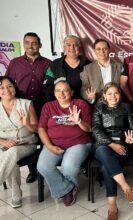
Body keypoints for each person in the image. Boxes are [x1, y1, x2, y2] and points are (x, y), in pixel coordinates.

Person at [37, 80, 92, 206]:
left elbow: (89, 129)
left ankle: (66, 192)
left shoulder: (81, 104)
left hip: (78, 143)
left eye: (65, 90)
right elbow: (41, 129)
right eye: (58, 90)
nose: (61, 94)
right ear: (54, 93)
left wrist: (78, 122)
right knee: (43, 166)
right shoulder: (48, 106)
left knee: (68, 167)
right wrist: (50, 146)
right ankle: (68, 188)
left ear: (71, 92)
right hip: (54, 143)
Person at [5, 32, 51, 183]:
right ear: (24, 44)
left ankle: (43, 168)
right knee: (28, 137)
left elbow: (51, 85)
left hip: (41, 104)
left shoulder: (48, 63)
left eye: (34, 43)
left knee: (41, 136)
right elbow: (8, 83)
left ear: (40, 45)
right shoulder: (15, 63)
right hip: (22, 106)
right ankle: (33, 171)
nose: (30, 46)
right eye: (27, 42)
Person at [92, 83, 133, 219]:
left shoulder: (127, 107)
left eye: (116, 93)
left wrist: (131, 140)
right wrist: (111, 144)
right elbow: (95, 129)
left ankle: (112, 207)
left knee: (107, 167)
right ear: (104, 96)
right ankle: (125, 187)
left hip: (123, 144)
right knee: (101, 150)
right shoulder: (99, 108)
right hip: (104, 144)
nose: (113, 96)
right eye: (110, 94)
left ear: (120, 94)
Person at [0, 76, 38, 208]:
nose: (6, 90)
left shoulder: (26, 103)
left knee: (13, 152)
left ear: (15, 87)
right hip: (2, 145)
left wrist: (27, 124)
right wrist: (3, 142)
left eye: (9, 86)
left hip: (26, 144)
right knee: (10, 160)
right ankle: (16, 195)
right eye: (2, 87)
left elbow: (37, 129)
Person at [43, 35, 91, 101]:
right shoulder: (55, 64)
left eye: (75, 45)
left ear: (79, 47)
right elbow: (47, 86)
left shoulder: (88, 64)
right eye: (68, 45)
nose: (72, 48)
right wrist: (55, 104)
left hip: (84, 105)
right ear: (64, 47)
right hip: (61, 105)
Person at [81, 39, 123, 104]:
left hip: (117, 105)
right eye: (98, 49)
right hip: (97, 105)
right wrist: (90, 97)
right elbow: (84, 89)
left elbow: (124, 87)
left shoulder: (120, 66)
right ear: (94, 51)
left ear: (109, 50)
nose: (102, 51)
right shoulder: (87, 69)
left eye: (105, 49)